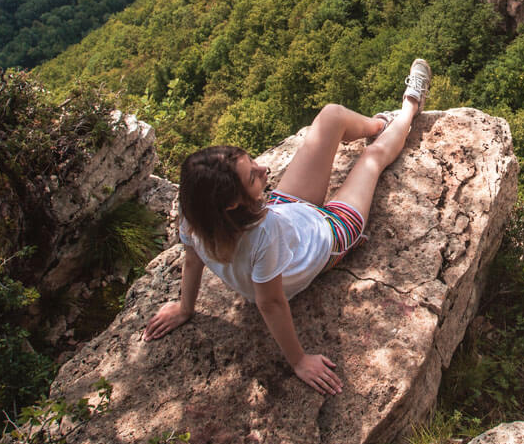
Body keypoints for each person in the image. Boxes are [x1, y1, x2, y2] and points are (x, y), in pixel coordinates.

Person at [141, 59, 433, 395]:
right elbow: (271, 303)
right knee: (371, 160)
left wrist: (185, 307)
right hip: (328, 235)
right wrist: (299, 361)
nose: (263, 168)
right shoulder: (262, 236)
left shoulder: (196, 214)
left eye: (251, 160)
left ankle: (379, 124)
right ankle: (409, 108)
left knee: (331, 115)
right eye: (253, 175)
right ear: (232, 203)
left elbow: (192, 258)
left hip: (288, 213)